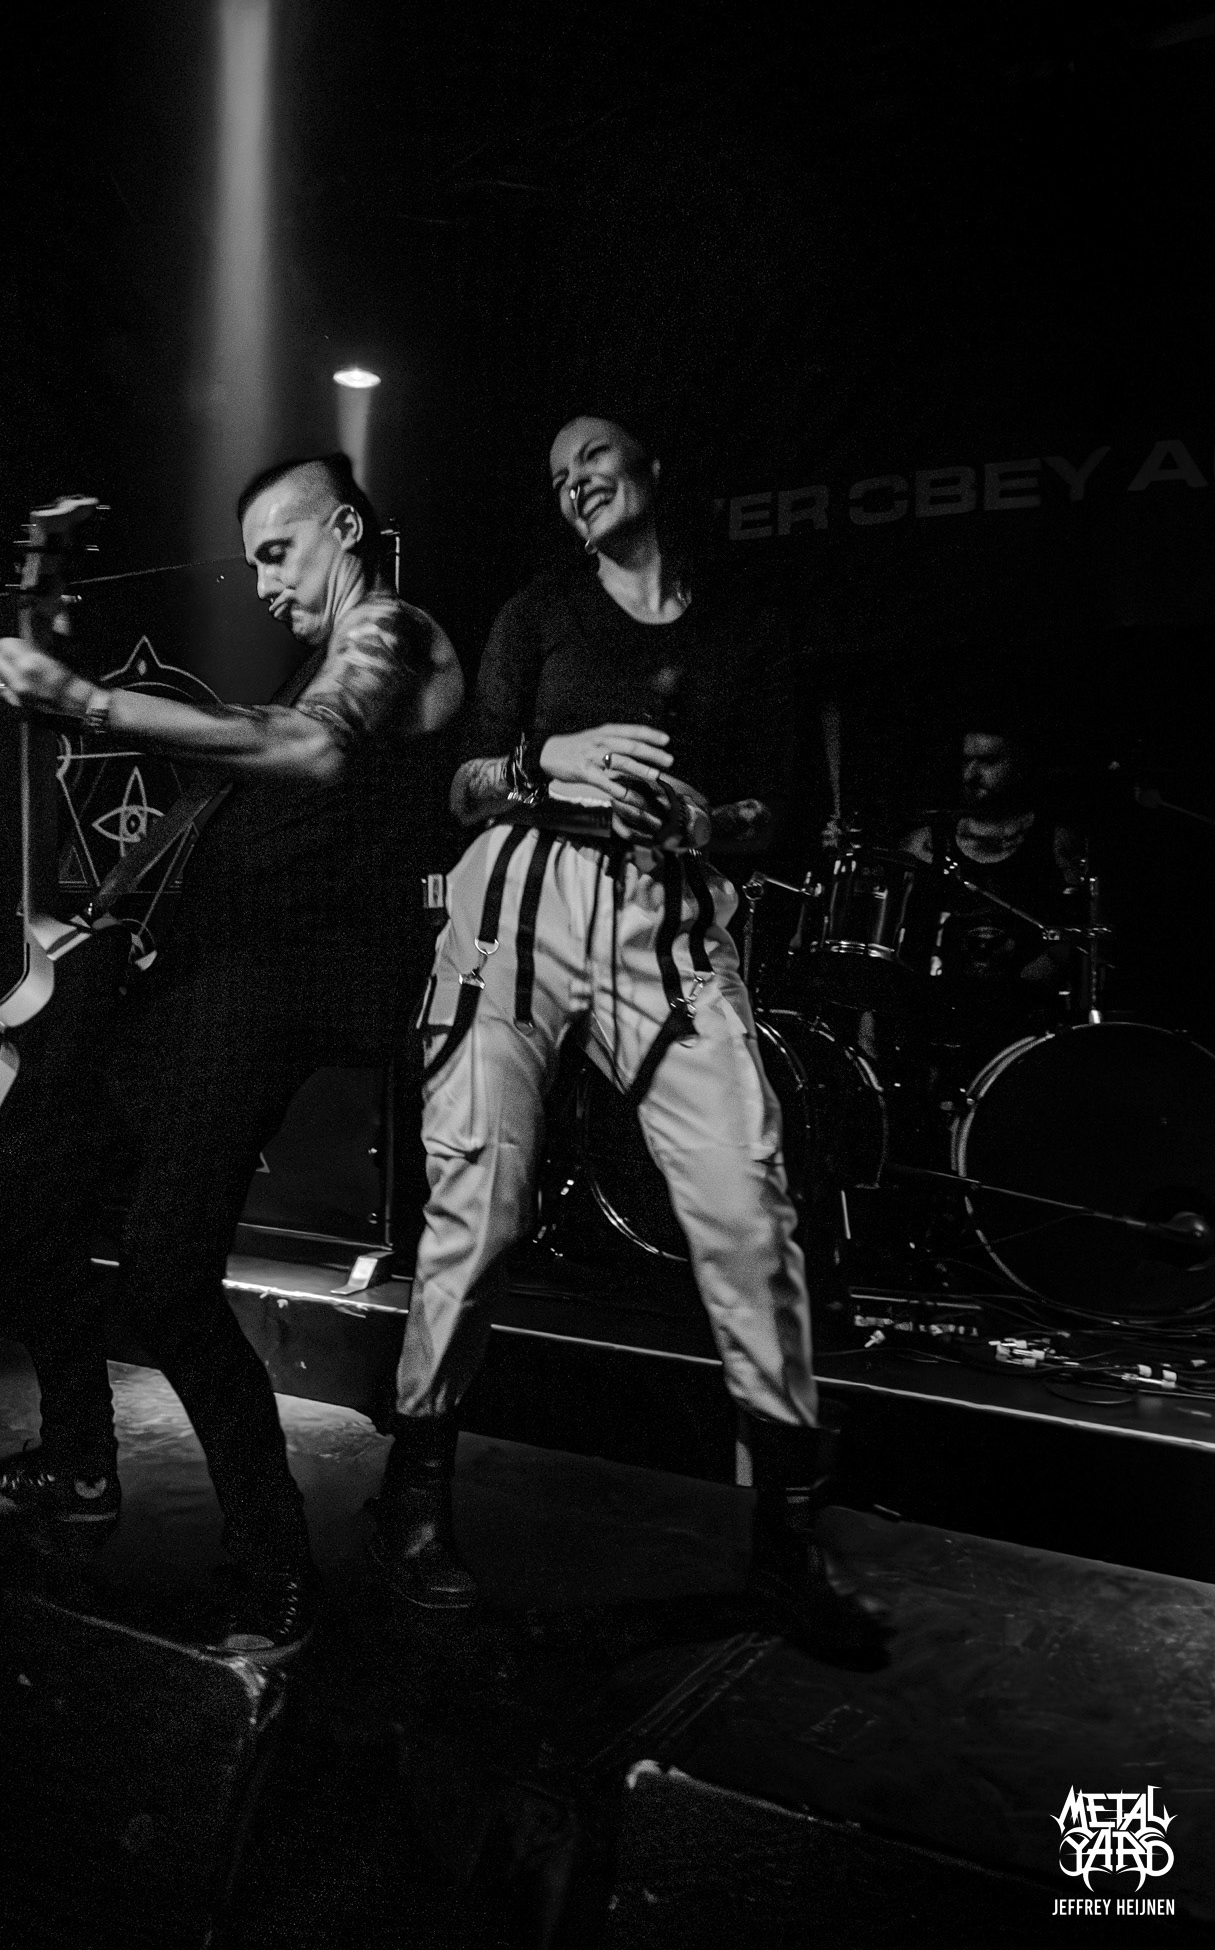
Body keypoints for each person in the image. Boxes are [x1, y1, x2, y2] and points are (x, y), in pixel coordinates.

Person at [368, 414, 887, 1667]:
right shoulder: (539, 612)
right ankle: (414, 1490)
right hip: (520, 901)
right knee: (480, 1201)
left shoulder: (742, 628)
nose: (574, 483)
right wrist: (548, 756)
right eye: (557, 475)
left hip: (666, 911)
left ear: (655, 468)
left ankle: (784, 1538)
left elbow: (771, 807)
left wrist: (705, 815)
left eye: (593, 459)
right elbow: (464, 784)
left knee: (749, 1204)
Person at [0, 453, 463, 1662]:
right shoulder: (313, 655)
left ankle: (275, 1570)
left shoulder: (391, 629)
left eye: (280, 551)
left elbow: (318, 748)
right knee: (29, 1160)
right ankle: (78, 1464)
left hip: (288, 981)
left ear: (346, 529)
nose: (264, 582)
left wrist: (93, 703)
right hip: (208, 974)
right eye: (253, 560)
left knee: (167, 1275)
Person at [899, 717, 1086, 1058]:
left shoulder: (1057, 842)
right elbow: (894, 939)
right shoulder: (924, 844)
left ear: (1019, 766)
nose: (971, 774)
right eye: (965, 761)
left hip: (1028, 1028)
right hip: (939, 1023)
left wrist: (1053, 961)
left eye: (987, 761)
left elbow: (1086, 925)